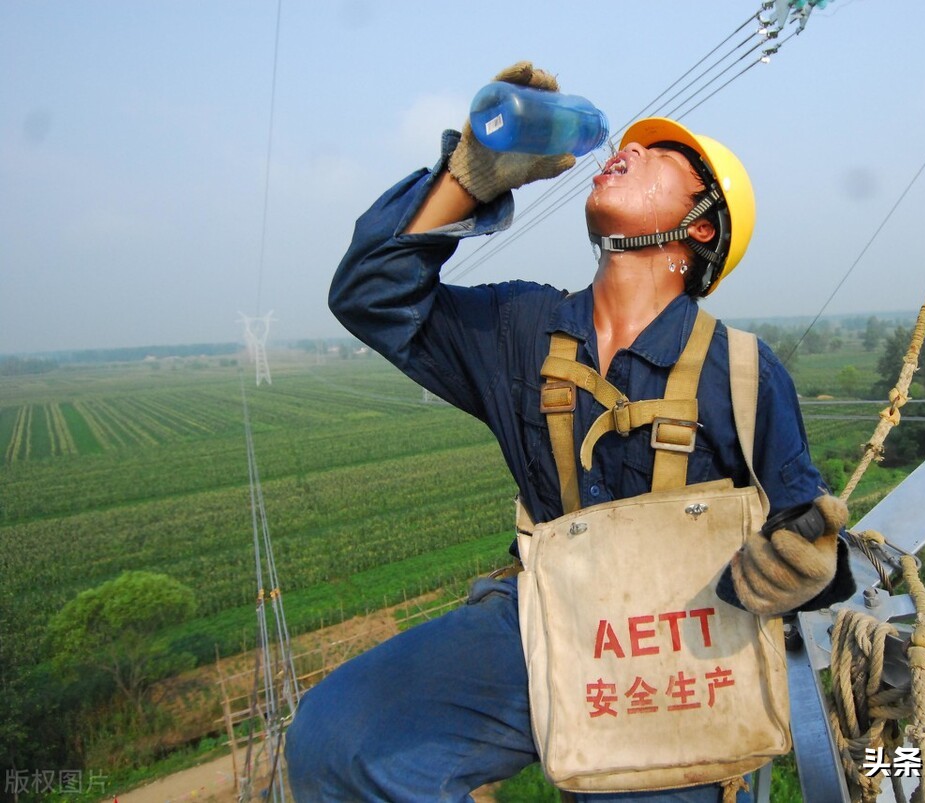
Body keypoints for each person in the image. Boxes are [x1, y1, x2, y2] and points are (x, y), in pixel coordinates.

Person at [285, 62, 852, 803]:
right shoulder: (521, 328)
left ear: (700, 226)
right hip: (546, 623)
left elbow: (801, 532)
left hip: (678, 654)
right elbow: (370, 293)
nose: (632, 148)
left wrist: (804, 562)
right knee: (338, 743)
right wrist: (472, 175)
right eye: (635, 144)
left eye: (664, 156)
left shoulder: (742, 370)